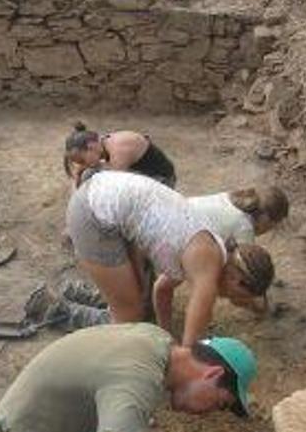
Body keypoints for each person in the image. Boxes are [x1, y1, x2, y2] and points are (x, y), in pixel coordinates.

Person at [0, 323, 258, 432]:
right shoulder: (138, 377)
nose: (209, 412)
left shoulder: (157, 341)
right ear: (212, 374)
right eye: (220, 403)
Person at [65, 170, 274, 346]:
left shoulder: (205, 254)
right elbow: (190, 347)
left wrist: (165, 336)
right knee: (129, 317)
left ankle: (74, 293)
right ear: (237, 281)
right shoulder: (208, 267)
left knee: (138, 305)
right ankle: (57, 311)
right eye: (236, 297)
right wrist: (184, 357)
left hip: (107, 193)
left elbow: (162, 290)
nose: (228, 299)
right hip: (95, 210)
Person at [64, 122, 177, 188]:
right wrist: (79, 175)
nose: (84, 164)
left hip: (161, 180)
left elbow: (113, 185)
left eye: (82, 160)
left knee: (100, 184)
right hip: (139, 173)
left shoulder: (119, 149)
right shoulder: (102, 144)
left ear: (91, 146)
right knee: (88, 174)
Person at [188, 187, 289, 244]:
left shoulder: (227, 197)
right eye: (271, 226)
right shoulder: (244, 228)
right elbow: (245, 270)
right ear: (266, 220)